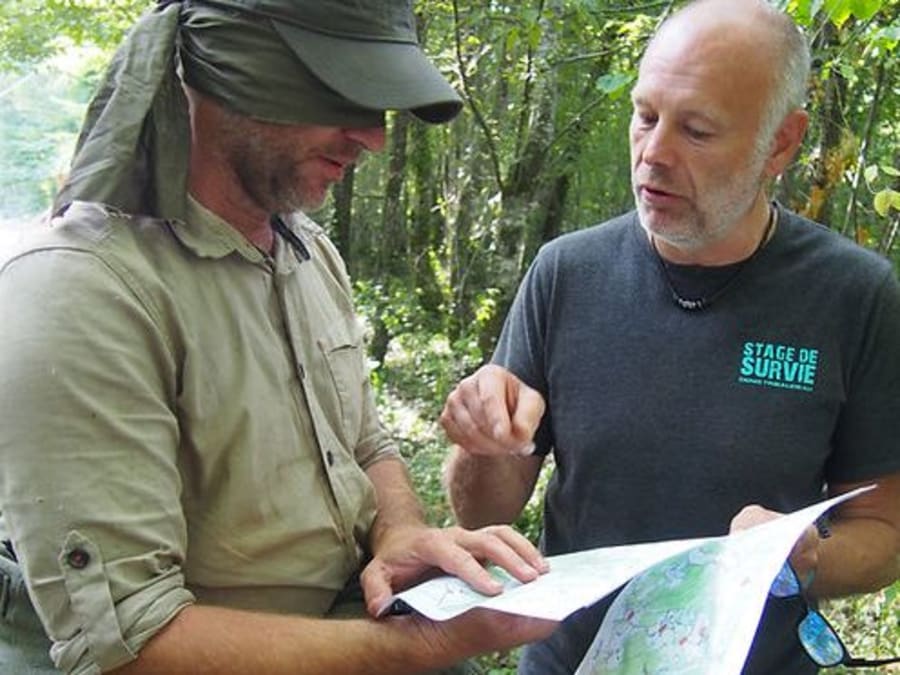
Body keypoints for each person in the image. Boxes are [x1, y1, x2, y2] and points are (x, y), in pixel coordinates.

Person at [0, 1, 557, 673]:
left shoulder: (305, 250)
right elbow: (135, 645)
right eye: (339, 93)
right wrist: (420, 647)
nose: (373, 138)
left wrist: (401, 530)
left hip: (347, 621)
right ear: (234, 72)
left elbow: (364, 444)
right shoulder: (83, 290)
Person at [440, 0, 900, 673]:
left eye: (698, 131)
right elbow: (487, 509)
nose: (654, 154)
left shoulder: (854, 296)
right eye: (645, 115)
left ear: (782, 142)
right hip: (573, 660)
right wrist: (482, 445)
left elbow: (886, 532)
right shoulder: (567, 273)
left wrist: (807, 556)